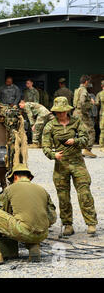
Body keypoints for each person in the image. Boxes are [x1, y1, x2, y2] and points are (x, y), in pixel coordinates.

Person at [0, 164, 57, 264]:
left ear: (15, 177)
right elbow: (53, 217)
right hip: (42, 234)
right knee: (31, 219)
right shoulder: (42, 190)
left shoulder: (9, 189)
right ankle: (34, 247)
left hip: (23, 231)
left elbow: (0, 211)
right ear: (29, 177)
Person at [42, 97, 98, 236]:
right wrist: (53, 155)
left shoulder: (76, 122)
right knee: (63, 196)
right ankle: (67, 224)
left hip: (77, 163)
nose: (61, 114)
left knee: (84, 192)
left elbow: (86, 140)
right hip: (61, 165)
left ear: (68, 110)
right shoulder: (50, 126)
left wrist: (76, 141)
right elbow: (45, 146)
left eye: (63, 111)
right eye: (58, 112)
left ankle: (91, 223)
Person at [73, 75, 97, 158]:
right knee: (91, 131)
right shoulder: (83, 90)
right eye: (89, 82)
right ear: (86, 82)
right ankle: (87, 149)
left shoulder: (77, 90)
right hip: (82, 114)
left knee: (79, 132)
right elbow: (83, 104)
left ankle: (76, 150)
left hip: (76, 112)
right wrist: (91, 103)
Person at [95, 80, 104, 152]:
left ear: (101, 86)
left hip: (102, 114)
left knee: (102, 130)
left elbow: (97, 104)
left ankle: (102, 146)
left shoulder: (99, 94)